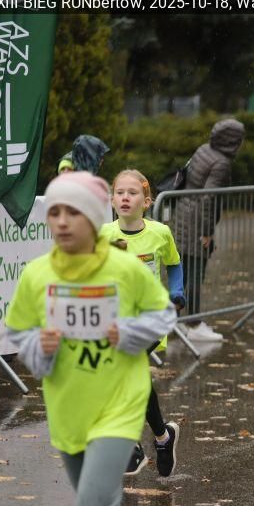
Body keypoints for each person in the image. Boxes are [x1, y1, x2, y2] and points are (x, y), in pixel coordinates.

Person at [4, 172, 176, 506]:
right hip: (68, 406)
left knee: (96, 504)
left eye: (73, 212)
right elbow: (19, 331)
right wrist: (39, 347)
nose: (62, 221)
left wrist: (130, 333)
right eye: (55, 212)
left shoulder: (124, 269)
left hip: (119, 401)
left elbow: (162, 314)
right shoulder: (39, 274)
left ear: (94, 217)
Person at [100, 169, 185, 477]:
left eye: (132, 193)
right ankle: (162, 436)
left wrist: (177, 292)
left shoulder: (160, 233)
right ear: (112, 200)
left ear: (146, 202)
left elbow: (174, 264)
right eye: (120, 192)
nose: (125, 197)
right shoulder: (104, 234)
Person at [170, 118, 245, 343]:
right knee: (194, 274)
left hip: (182, 214)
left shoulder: (204, 149)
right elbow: (208, 198)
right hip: (195, 222)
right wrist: (206, 232)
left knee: (182, 274)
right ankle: (193, 323)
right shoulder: (221, 163)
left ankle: (174, 320)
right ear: (232, 140)